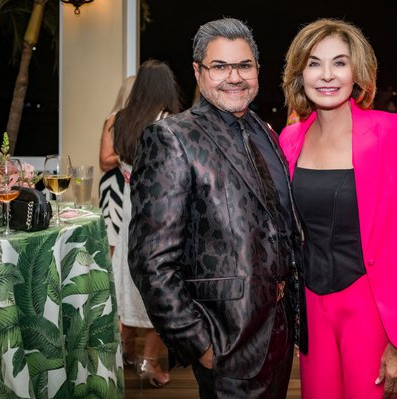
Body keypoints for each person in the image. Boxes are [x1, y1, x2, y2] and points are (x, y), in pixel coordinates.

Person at [279, 18, 397, 399]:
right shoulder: (290, 139)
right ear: (300, 74)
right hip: (312, 312)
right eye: (314, 63)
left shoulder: (396, 133)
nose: (327, 75)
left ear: (357, 73)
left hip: (374, 311)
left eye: (339, 62)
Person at [128, 18, 304, 399]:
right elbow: (151, 260)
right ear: (198, 71)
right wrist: (199, 345)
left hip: (277, 328)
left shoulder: (266, 131)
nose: (234, 77)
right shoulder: (171, 137)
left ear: (257, 69)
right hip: (226, 339)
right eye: (219, 66)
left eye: (243, 65)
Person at [112, 59, 182, 388]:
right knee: (159, 283)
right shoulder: (168, 122)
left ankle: (124, 350)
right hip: (159, 211)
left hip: (128, 209)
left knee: (128, 279)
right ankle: (149, 362)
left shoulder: (122, 120)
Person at [98, 75, 135, 257]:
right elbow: (104, 160)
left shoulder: (135, 122)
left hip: (128, 184)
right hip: (115, 185)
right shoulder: (113, 120)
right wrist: (127, 156)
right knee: (113, 242)